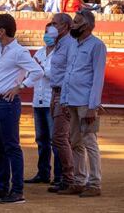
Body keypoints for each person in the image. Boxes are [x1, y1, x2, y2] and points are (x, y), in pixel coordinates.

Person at [0, 14, 43, 204]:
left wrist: (20, 86)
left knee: (11, 147)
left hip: (7, 104)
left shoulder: (19, 52)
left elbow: (38, 71)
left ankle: (18, 191)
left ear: (2, 31)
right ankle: (2, 188)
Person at [59, 10, 106, 197]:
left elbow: (98, 78)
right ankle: (79, 181)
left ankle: (94, 183)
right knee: (75, 141)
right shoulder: (73, 45)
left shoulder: (97, 46)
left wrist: (93, 106)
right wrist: (63, 99)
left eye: (77, 22)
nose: (73, 25)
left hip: (86, 102)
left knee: (89, 141)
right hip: (71, 99)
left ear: (86, 26)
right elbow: (68, 73)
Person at [24, 24, 62, 185]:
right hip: (38, 101)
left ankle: (59, 176)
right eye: (45, 32)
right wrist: (36, 70)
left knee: (56, 139)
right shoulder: (39, 52)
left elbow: (55, 75)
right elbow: (28, 73)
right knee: (41, 139)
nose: (46, 35)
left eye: (49, 32)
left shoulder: (60, 53)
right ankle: (43, 173)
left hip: (51, 100)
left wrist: (40, 70)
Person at [47, 13, 76, 193]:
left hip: (63, 94)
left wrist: (64, 97)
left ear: (65, 26)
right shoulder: (59, 44)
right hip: (55, 93)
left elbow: (70, 72)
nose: (51, 26)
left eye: (55, 23)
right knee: (60, 137)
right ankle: (66, 178)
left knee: (60, 137)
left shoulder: (69, 44)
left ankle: (69, 178)